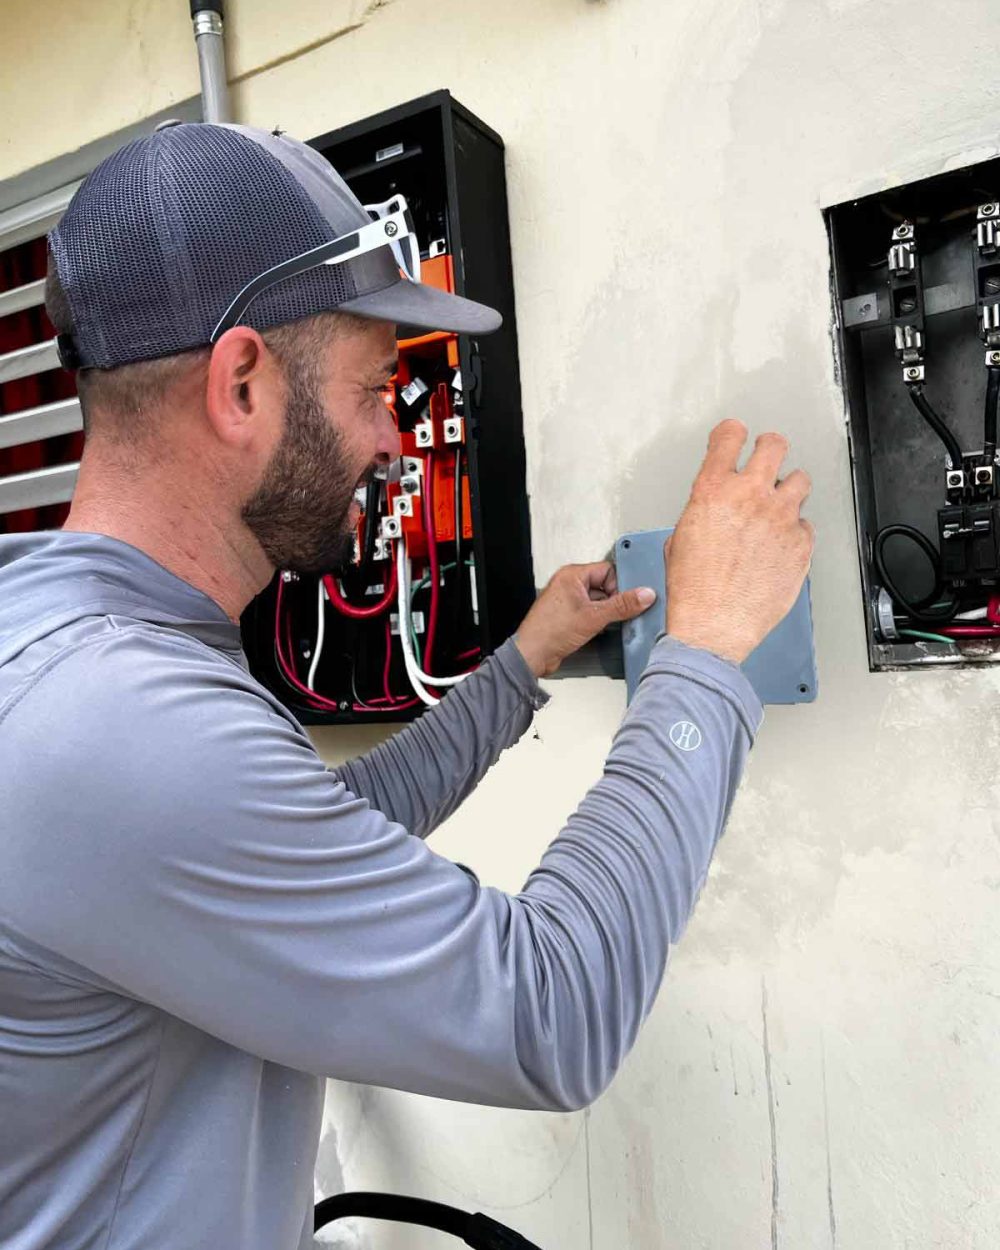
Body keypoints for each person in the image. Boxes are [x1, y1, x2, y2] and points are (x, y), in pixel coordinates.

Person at [0, 122, 813, 1250]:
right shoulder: (119, 722)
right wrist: (710, 642)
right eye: (373, 387)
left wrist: (523, 658)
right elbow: (549, 1009)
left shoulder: (64, 640)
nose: (396, 435)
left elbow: (314, 838)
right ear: (241, 382)